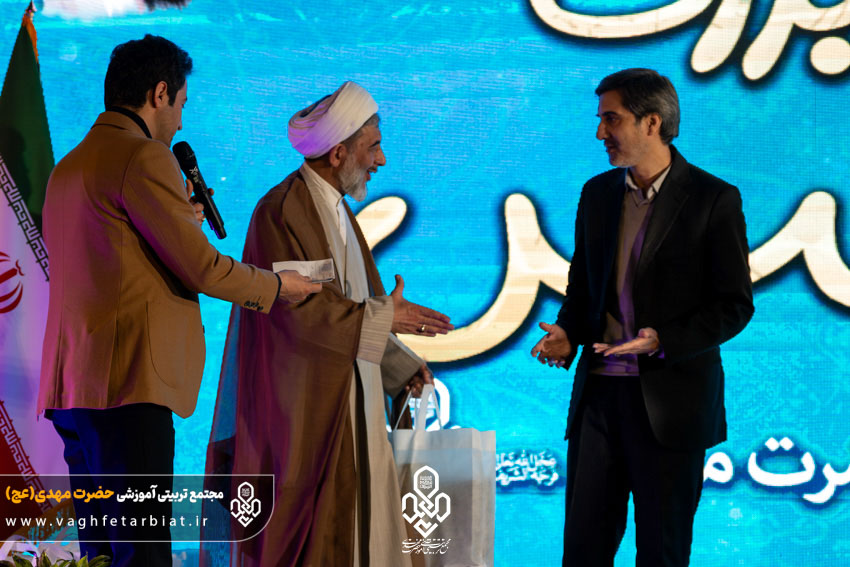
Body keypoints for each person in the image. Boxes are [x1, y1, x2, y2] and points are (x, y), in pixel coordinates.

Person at [37, 35, 320, 567]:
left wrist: (176, 222)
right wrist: (278, 287)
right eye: (183, 104)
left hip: (74, 386)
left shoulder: (71, 164)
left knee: (102, 555)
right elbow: (203, 267)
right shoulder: (144, 156)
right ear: (160, 93)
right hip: (126, 387)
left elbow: (109, 258)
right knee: (142, 556)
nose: (181, 122)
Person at [204, 80, 453, 567]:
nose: (381, 160)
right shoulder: (282, 213)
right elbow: (301, 318)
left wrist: (402, 369)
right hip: (305, 419)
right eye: (373, 147)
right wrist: (387, 316)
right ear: (338, 153)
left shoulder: (337, 209)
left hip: (352, 408)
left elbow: (354, 308)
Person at [531, 68, 754, 566]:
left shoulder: (713, 199)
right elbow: (582, 290)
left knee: (662, 553)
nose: (599, 133)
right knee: (583, 552)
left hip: (671, 408)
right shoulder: (597, 194)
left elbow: (734, 305)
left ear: (652, 122)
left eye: (611, 119)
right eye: (600, 120)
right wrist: (567, 332)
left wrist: (661, 340)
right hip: (598, 401)